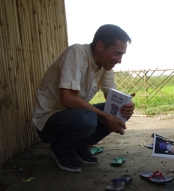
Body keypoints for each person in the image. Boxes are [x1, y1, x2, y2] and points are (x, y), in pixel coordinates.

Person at [32, 24, 135, 172]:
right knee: (89, 118)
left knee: (117, 112)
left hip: (73, 116)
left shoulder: (106, 68)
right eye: (116, 53)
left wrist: (126, 107)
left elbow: (112, 99)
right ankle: (60, 149)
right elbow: (67, 99)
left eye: (121, 55)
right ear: (100, 46)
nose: (119, 60)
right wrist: (104, 116)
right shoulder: (76, 53)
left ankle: (78, 146)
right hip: (49, 121)